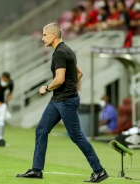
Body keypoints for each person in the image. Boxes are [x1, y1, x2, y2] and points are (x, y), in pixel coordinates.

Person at [16, 23, 108, 183]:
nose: (42, 38)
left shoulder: (59, 53)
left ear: (54, 35)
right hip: (59, 99)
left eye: (45, 35)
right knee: (41, 130)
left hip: (65, 101)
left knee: (76, 136)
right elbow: (79, 73)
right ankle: (36, 170)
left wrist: (46, 87)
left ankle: (99, 171)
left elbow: (59, 79)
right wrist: (71, 87)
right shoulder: (67, 50)